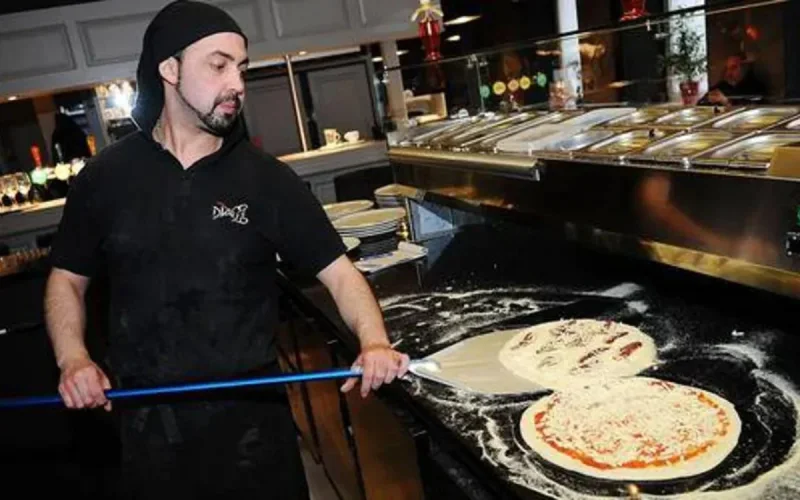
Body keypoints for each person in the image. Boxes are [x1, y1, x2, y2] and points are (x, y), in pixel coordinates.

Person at [43, 1, 410, 498]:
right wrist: (73, 359)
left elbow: (342, 275)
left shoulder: (267, 181)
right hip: (147, 426)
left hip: (254, 430)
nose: (236, 82)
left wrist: (373, 342)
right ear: (169, 69)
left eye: (241, 67)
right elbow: (66, 278)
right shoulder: (106, 178)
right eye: (218, 65)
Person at [698, 54, 766, 107]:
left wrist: (726, 102)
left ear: (744, 68)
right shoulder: (722, 85)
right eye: (727, 68)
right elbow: (700, 104)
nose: (729, 73)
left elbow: (748, 112)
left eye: (733, 68)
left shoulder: (755, 87)